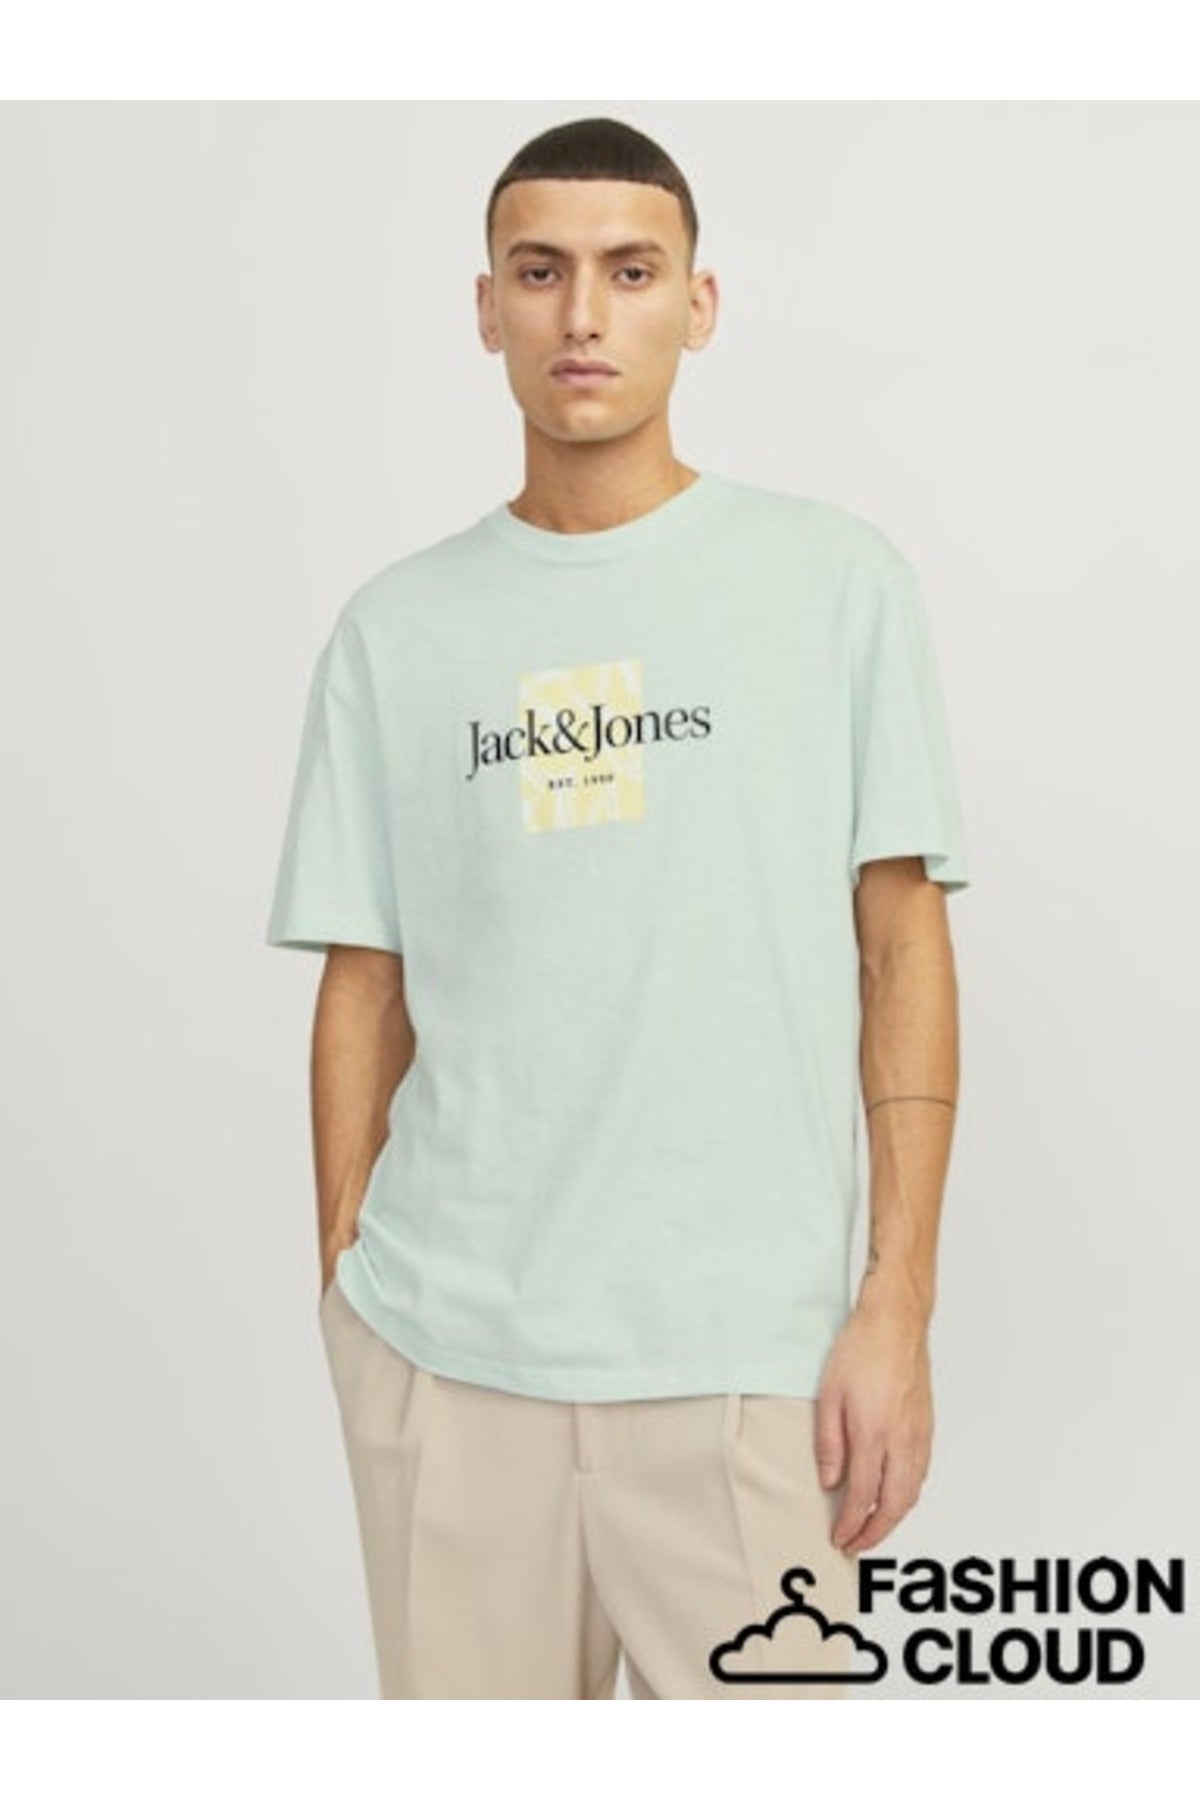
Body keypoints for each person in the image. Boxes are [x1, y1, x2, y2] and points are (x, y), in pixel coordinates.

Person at [265, 115, 970, 1700]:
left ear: (698, 305)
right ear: (487, 307)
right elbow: (364, 981)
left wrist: (898, 1301)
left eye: (630, 271)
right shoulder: (395, 631)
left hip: (748, 1365)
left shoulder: (836, 585)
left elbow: (901, 945)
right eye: (541, 272)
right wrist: (349, 1295)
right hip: (446, 1361)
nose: (583, 313)